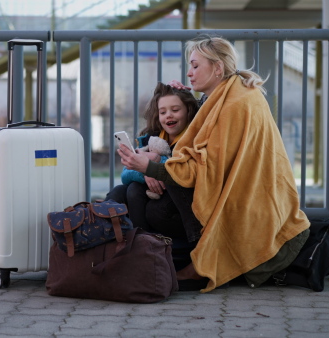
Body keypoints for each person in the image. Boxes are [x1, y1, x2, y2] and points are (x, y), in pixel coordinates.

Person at [117, 35, 310, 292]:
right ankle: (132, 256)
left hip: (242, 204)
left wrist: (150, 167)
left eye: (196, 66)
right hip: (238, 196)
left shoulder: (235, 104)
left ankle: (198, 261)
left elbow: (204, 166)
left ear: (218, 68)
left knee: (150, 206)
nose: (189, 72)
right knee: (123, 192)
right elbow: (207, 137)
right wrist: (187, 100)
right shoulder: (228, 94)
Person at [106, 82, 199, 234]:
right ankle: (104, 238)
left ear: (188, 111)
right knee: (118, 193)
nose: (168, 115)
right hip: (149, 193)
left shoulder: (192, 138)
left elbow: (185, 171)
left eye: (175, 110)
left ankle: (143, 244)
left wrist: (154, 163)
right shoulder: (151, 138)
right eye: (162, 112)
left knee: (137, 192)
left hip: (177, 196)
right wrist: (145, 171)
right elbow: (125, 175)